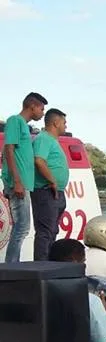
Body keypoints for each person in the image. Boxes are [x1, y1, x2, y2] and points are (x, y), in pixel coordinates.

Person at [2, 92, 47, 262]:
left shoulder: (25, 127)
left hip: (23, 184)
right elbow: (9, 149)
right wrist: (17, 181)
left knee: (22, 227)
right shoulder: (15, 121)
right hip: (18, 183)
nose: (42, 113)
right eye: (41, 109)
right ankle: (12, 267)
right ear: (32, 106)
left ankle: (13, 265)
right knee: (22, 227)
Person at [31, 108, 69, 261]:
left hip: (56, 192)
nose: (66, 126)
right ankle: (42, 267)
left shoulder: (53, 141)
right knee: (45, 232)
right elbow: (39, 161)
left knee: (52, 231)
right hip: (46, 191)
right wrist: (52, 180)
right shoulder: (44, 139)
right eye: (64, 122)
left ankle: (49, 265)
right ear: (55, 122)